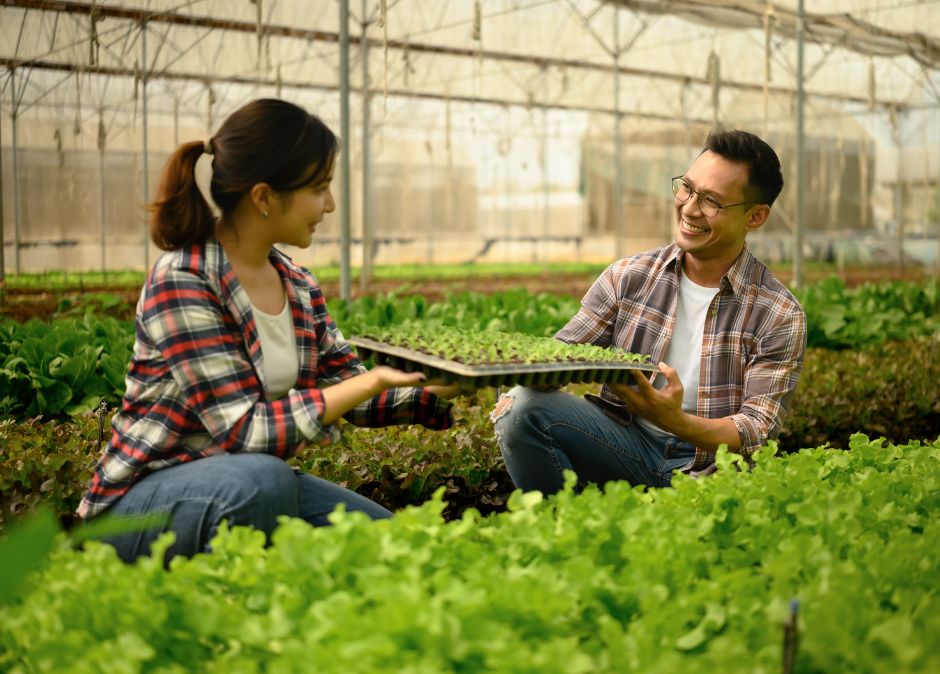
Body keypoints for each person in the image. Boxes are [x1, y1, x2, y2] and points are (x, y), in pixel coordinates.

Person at [78, 98, 459, 563]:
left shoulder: (296, 284)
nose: (331, 205)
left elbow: (347, 389)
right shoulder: (184, 278)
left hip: (246, 485)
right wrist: (374, 378)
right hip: (145, 504)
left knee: (400, 549)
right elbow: (242, 431)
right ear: (263, 197)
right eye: (319, 189)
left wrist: (447, 380)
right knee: (264, 480)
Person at [491, 129, 806, 494]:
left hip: (711, 470)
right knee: (520, 407)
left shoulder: (778, 312)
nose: (689, 208)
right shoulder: (630, 277)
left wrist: (673, 420)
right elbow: (560, 358)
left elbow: (756, 429)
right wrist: (474, 372)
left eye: (712, 202)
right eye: (687, 188)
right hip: (624, 445)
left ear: (755, 217)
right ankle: (567, 534)